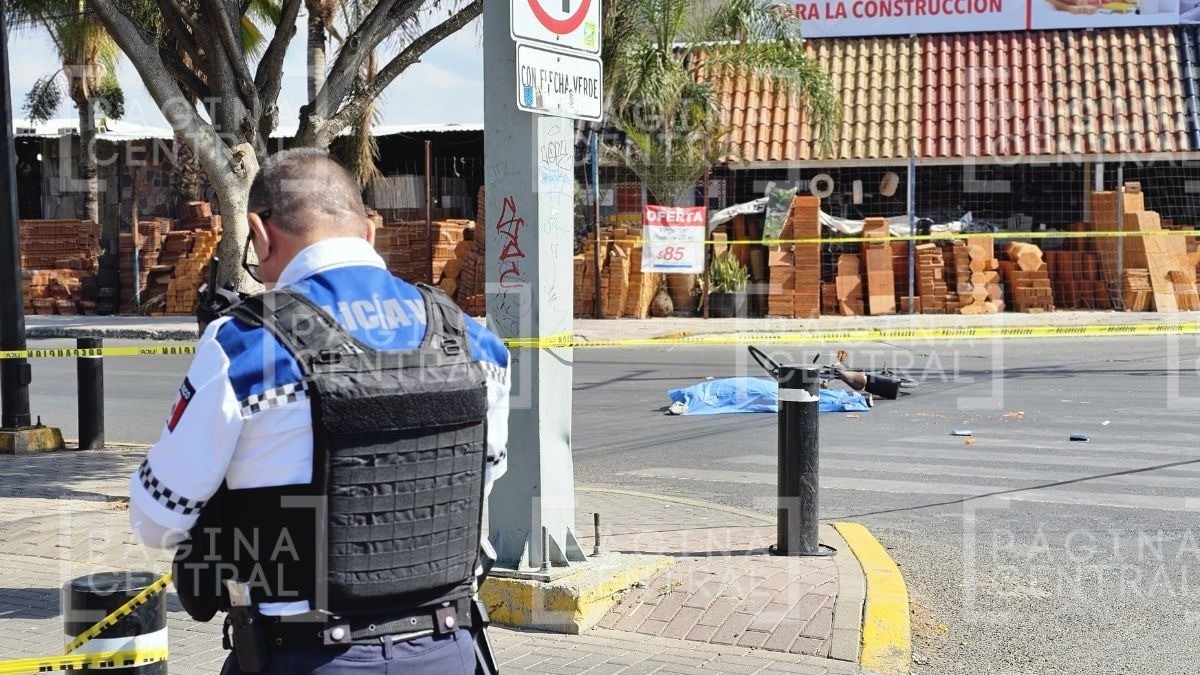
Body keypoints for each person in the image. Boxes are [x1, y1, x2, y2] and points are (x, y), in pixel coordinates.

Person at [128, 148, 510, 674]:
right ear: (368, 232)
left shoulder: (242, 344)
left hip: (306, 656)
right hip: (448, 649)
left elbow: (157, 519)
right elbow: (479, 481)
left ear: (260, 234)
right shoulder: (472, 341)